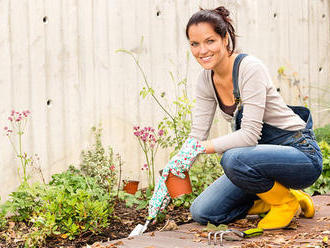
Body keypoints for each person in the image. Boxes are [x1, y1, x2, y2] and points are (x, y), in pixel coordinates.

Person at [183, 6, 323, 230]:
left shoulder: (249, 68)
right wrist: (179, 165)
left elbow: (249, 136)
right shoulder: (205, 81)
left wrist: (201, 147)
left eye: (210, 41)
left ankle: (284, 202)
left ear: (225, 38)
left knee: (232, 158)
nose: (202, 50)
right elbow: (197, 135)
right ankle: (281, 197)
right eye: (194, 44)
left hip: (299, 155)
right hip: (256, 163)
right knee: (203, 212)